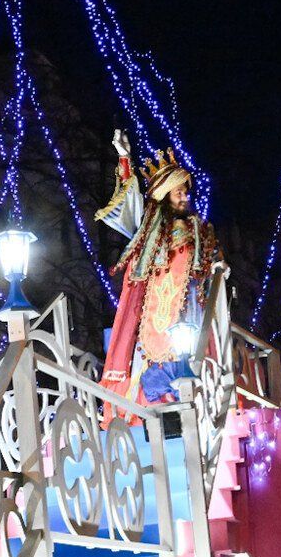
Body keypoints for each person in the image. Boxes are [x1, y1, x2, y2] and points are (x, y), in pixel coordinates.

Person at [93, 128, 228, 417]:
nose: (184, 196)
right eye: (178, 192)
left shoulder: (200, 230)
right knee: (155, 371)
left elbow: (213, 259)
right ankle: (156, 408)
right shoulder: (150, 231)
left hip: (190, 309)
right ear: (165, 197)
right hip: (156, 315)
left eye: (185, 191)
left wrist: (218, 265)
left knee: (192, 361)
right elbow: (130, 207)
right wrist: (125, 158)